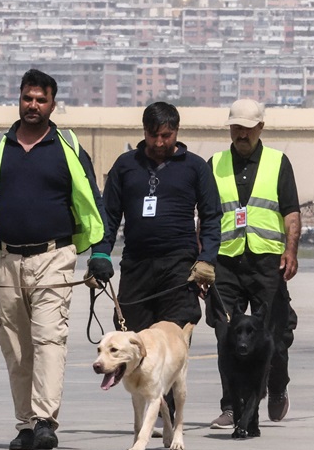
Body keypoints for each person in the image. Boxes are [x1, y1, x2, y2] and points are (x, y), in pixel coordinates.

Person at [0, 68, 106, 450]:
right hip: (4, 259)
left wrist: (99, 251)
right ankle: (26, 424)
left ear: (52, 104)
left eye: (41, 100)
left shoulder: (68, 147)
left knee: (49, 337)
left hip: (54, 256)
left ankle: (46, 420)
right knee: (14, 345)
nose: (33, 105)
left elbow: (93, 202)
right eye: (28, 98)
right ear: (19, 99)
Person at [90, 102, 221, 422]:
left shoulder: (195, 167)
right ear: (143, 132)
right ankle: (152, 397)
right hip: (136, 266)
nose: (159, 143)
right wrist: (100, 254)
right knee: (134, 338)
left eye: (166, 135)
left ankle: (167, 398)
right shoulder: (125, 166)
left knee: (174, 338)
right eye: (153, 135)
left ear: (176, 131)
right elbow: (108, 215)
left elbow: (212, 216)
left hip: (180, 268)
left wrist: (207, 259)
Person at [206, 98, 300, 429]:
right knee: (225, 336)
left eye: (247, 128)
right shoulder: (214, 163)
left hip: (267, 263)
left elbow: (291, 211)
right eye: (236, 128)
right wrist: (203, 259)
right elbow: (203, 215)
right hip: (226, 263)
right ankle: (232, 405)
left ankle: (276, 387)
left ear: (260, 127)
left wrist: (291, 250)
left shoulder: (278, 162)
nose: (241, 134)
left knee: (273, 334)